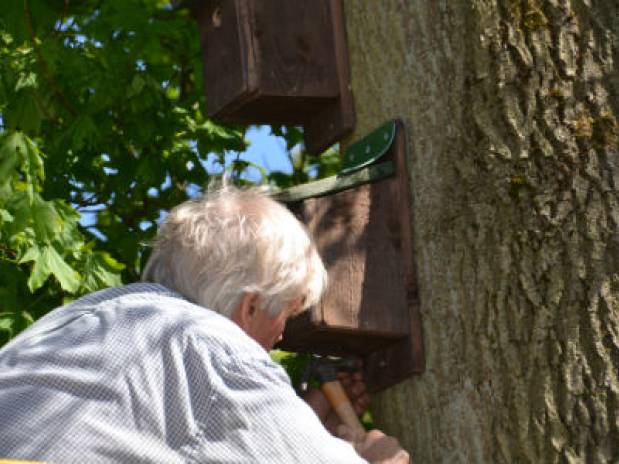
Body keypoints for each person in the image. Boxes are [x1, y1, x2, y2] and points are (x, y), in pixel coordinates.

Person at [0, 185, 410, 463]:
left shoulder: (91, 318)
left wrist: (298, 423)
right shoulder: (213, 347)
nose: (282, 334)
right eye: (284, 313)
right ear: (249, 308)